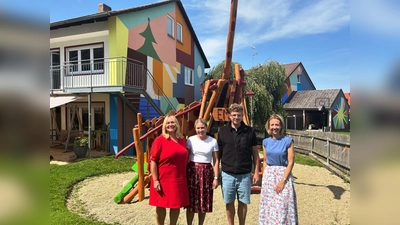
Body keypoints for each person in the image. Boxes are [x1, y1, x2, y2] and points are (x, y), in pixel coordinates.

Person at [217, 103, 260, 225]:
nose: (236, 117)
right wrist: (216, 174)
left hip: (245, 173)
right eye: (234, 115)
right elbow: (218, 154)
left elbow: (255, 153)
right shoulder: (223, 131)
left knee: (243, 202)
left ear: (242, 116)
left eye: (239, 115)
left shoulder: (249, 131)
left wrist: (256, 172)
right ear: (229, 116)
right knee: (229, 202)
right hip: (227, 173)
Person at [149, 115, 189, 225]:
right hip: (163, 178)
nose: (170, 125)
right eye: (168, 123)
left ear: (177, 124)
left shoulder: (182, 139)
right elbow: (153, 161)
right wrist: (156, 179)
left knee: (176, 205)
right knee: (161, 205)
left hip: (178, 178)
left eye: (173, 122)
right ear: (164, 126)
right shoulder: (160, 140)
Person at [258, 114, 298, 225]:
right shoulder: (265, 142)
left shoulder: (288, 141)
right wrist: (264, 176)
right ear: (268, 126)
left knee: (283, 205)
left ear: (281, 126)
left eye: (277, 124)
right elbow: (265, 160)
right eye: (272, 125)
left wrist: (283, 180)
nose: (274, 127)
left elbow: (291, 162)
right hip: (269, 175)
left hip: (283, 174)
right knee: (269, 204)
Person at [186, 118, 220, 225]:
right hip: (192, 172)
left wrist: (216, 178)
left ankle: (201, 223)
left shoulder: (213, 141)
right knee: (191, 201)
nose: (200, 130)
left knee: (203, 201)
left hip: (206, 172)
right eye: (198, 128)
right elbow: (186, 158)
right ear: (195, 129)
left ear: (206, 128)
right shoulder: (190, 140)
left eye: (202, 127)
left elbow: (216, 161)